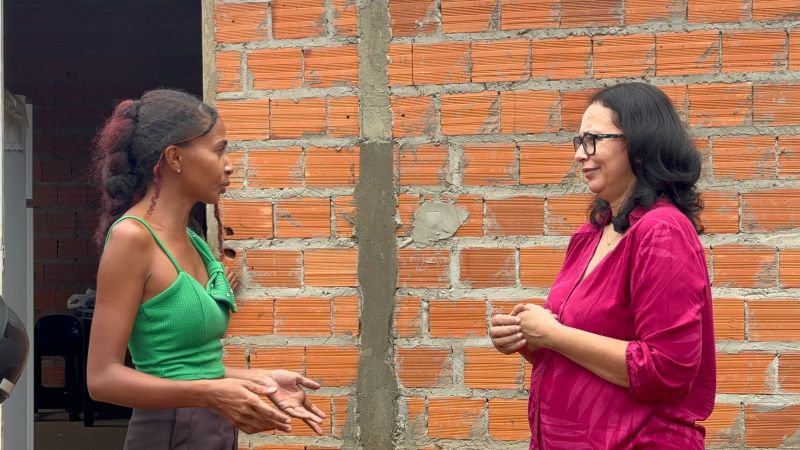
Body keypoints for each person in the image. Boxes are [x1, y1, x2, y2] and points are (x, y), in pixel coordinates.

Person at [87, 89, 325, 449]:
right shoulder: (132, 238)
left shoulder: (192, 239)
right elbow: (102, 379)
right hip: (168, 433)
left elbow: (188, 367)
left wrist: (261, 381)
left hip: (211, 429)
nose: (228, 165)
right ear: (175, 158)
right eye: (218, 150)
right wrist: (212, 394)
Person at [490, 82, 715, 449]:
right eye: (579, 142)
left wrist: (553, 334)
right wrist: (527, 336)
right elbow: (587, 351)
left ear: (640, 144)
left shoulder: (662, 231)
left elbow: (666, 369)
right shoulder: (590, 235)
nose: (580, 154)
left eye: (593, 139)